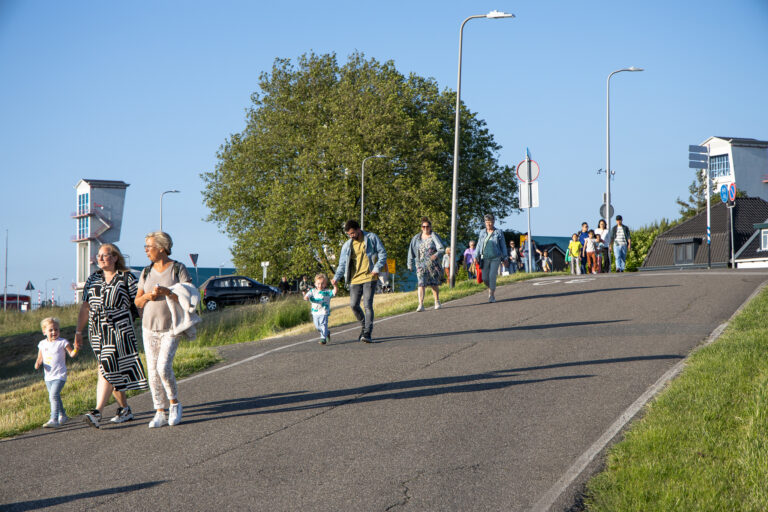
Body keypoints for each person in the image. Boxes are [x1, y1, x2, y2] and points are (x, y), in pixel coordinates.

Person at [75, 243, 147, 429]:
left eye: (104, 255)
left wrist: (149, 323)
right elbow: (85, 307)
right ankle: (124, 408)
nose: (99, 258)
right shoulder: (93, 279)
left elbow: (138, 303)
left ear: (115, 257)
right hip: (97, 331)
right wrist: (78, 332)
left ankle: (97, 412)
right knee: (110, 369)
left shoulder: (126, 278)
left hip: (120, 330)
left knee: (105, 366)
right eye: (98, 255)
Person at [135, 231, 196, 428]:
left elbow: (190, 297)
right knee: (152, 371)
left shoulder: (178, 269)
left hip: (172, 327)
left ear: (161, 248)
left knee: (163, 367)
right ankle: (159, 411)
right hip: (149, 327)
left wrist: (167, 292)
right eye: (145, 247)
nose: (146, 251)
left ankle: (174, 403)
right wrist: (148, 298)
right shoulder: (146, 272)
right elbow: (137, 300)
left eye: (149, 247)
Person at [331, 220, 387, 343]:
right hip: (355, 279)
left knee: (367, 304)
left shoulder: (371, 237)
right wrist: (336, 277)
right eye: (349, 234)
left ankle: (367, 333)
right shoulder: (347, 245)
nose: (351, 236)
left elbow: (382, 253)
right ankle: (364, 326)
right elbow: (342, 264)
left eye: (352, 233)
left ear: (358, 229)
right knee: (353, 305)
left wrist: (377, 268)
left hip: (370, 276)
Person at [35, 317, 77, 428]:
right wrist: (37, 364)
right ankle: (62, 415)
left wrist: (76, 348)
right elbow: (40, 358)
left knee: (53, 395)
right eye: (51, 330)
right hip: (48, 377)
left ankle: (54, 419)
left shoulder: (62, 342)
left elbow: (71, 354)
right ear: (44, 332)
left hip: (60, 375)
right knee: (55, 396)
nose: (54, 332)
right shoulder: (42, 344)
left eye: (56, 330)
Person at [407, 217, 445, 312]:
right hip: (420, 264)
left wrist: (436, 255)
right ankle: (421, 304)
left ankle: (437, 301)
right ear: (421, 227)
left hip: (432, 264)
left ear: (430, 227)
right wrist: (410, 264)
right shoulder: (416, 238)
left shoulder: (434, 236)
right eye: (423, 227)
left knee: (433, 283)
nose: (425, 228)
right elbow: (411, 252)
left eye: (427, 227)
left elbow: (441, 249)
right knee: (421, 283)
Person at [475, 214, 508, 302]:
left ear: (493, 222)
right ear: (485, 223)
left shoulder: (498, 232)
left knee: (492, 275)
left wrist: (505, 257)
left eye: (490, 222)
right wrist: (475, 256)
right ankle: (491, 287)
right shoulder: (482, 232)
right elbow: (478, 245)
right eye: (487, 222)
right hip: (484, 258)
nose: (489, 224)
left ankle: (491, 295)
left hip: (495, 257)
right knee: (485, 278)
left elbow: (503, 246)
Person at [304, 273, 338, 344]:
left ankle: (323, 338)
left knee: (323, 324)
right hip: (315, 312)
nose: (320, 285)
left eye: (322, 283)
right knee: (317, 326)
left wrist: (335, 285)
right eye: (318, 283)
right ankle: (327, 332)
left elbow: (334, 292)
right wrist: (306, 297)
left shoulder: (327, 292)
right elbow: (307, 296)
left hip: (324, 311)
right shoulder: (313, 291)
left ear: (325, 284)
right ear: (315, 284)